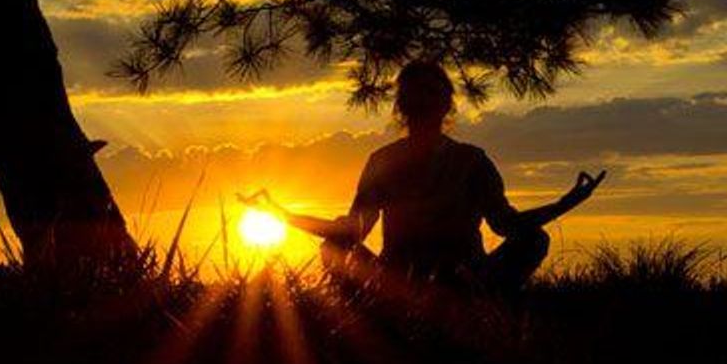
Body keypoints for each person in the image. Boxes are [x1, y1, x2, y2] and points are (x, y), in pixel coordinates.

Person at [245, 60, 607, 294]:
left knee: (534, 239)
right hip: (398, 280)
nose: (423, 100)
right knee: (334, 249)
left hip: (467, 278)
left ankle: (481, 302)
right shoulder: (382, 161)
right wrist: (282, 214)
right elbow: (352, 232)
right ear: (401, 105)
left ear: (447, 103)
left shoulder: (471, 160)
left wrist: (563, 205)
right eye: (414, 92)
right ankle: (380, 313)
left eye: (431, 92)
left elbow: (505, 224)